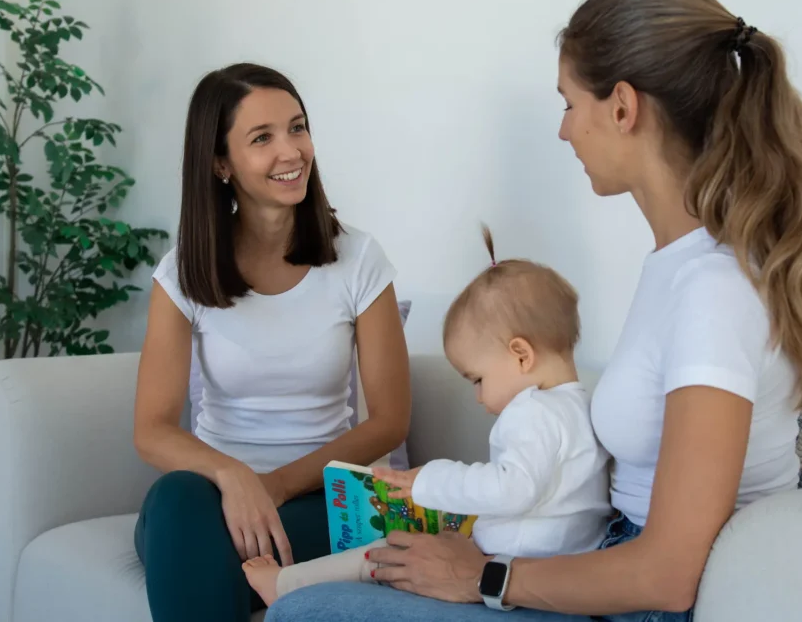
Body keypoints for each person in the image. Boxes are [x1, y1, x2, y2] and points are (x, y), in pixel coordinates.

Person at [266, 0, 802, 622]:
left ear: (622, 107)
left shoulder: (713, 291)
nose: (564, 131)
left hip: (648, 607)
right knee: (344, 589)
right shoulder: (682, 267)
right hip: (609, 567)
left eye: (569, 104)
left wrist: (484, 575)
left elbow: (668, 575)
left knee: (310, 611)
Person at [132, 63, 412, 622]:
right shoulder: (183, 271)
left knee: (198, 556)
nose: (291, 151)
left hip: (324, 501)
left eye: (297, 128)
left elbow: (389, 422)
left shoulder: (358, 259)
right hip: (212, 502)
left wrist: (275, 487)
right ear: (221, 163)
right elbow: (152, 428)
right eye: (262, 138)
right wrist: (234, 476)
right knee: (176, 502)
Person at [242, 227, 611, 605]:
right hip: (553, 571)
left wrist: (428, 480)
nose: (479, 397)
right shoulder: (581, 409)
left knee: (388, 553)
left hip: (512, 566)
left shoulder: (532, 411)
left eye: (478, 379)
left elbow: (512, 489)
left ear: (521, 355)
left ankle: (285, 586)